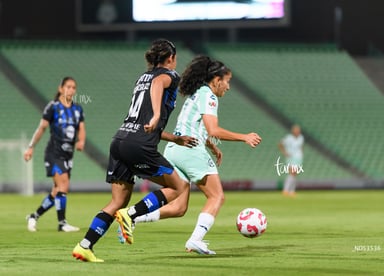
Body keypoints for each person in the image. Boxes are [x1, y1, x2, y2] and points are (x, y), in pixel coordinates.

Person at [117, 55, 262, 255]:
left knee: (179, 208)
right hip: (190, 150)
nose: (228, 87)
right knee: (216, 196)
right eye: (227, 82)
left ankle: (131, 216)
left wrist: (211, 146)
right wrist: (244, 137)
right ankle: (195, 240)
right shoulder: (208, 95)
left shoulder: (197, 93)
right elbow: (213, 129)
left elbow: (195, 126)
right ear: (217, 80)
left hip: (175, 150)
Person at [72, 39, 197, 263]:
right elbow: (159, 85)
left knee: (117, 200)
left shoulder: (141, 78)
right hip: (139, 145)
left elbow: (143, 123)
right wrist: (157, 115)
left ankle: (85, 245)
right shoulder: (169, 75)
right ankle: (131, 215)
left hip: (120, 140)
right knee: (179, 187)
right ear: (170, 58)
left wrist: (175, 138)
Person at [24, 77, 85, 232]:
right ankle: (62, 223)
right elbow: (42, 128)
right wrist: (31, 147)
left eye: (73, 87)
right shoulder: (53, 107)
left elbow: (81, 129)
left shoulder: (77, 109)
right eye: (68, 87)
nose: (71, 90)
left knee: (57, 191)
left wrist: (81, 141)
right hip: (53, 154)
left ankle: (34, 216)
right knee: (64, 185)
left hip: (68, 156)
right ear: (61, 88)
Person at [278, 124, 304, 197]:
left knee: (294, 174)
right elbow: (280, 144)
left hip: (298, 158)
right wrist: (285, 152)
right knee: (292, 173)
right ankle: (286, 190)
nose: (297, 131)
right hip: (291, 157)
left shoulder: (301, 137)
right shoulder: (289, 138)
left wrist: (301, 153)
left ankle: (291, 191)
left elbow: (301, 147)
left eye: (298, 130)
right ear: (293, 131)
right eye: (296, 130)